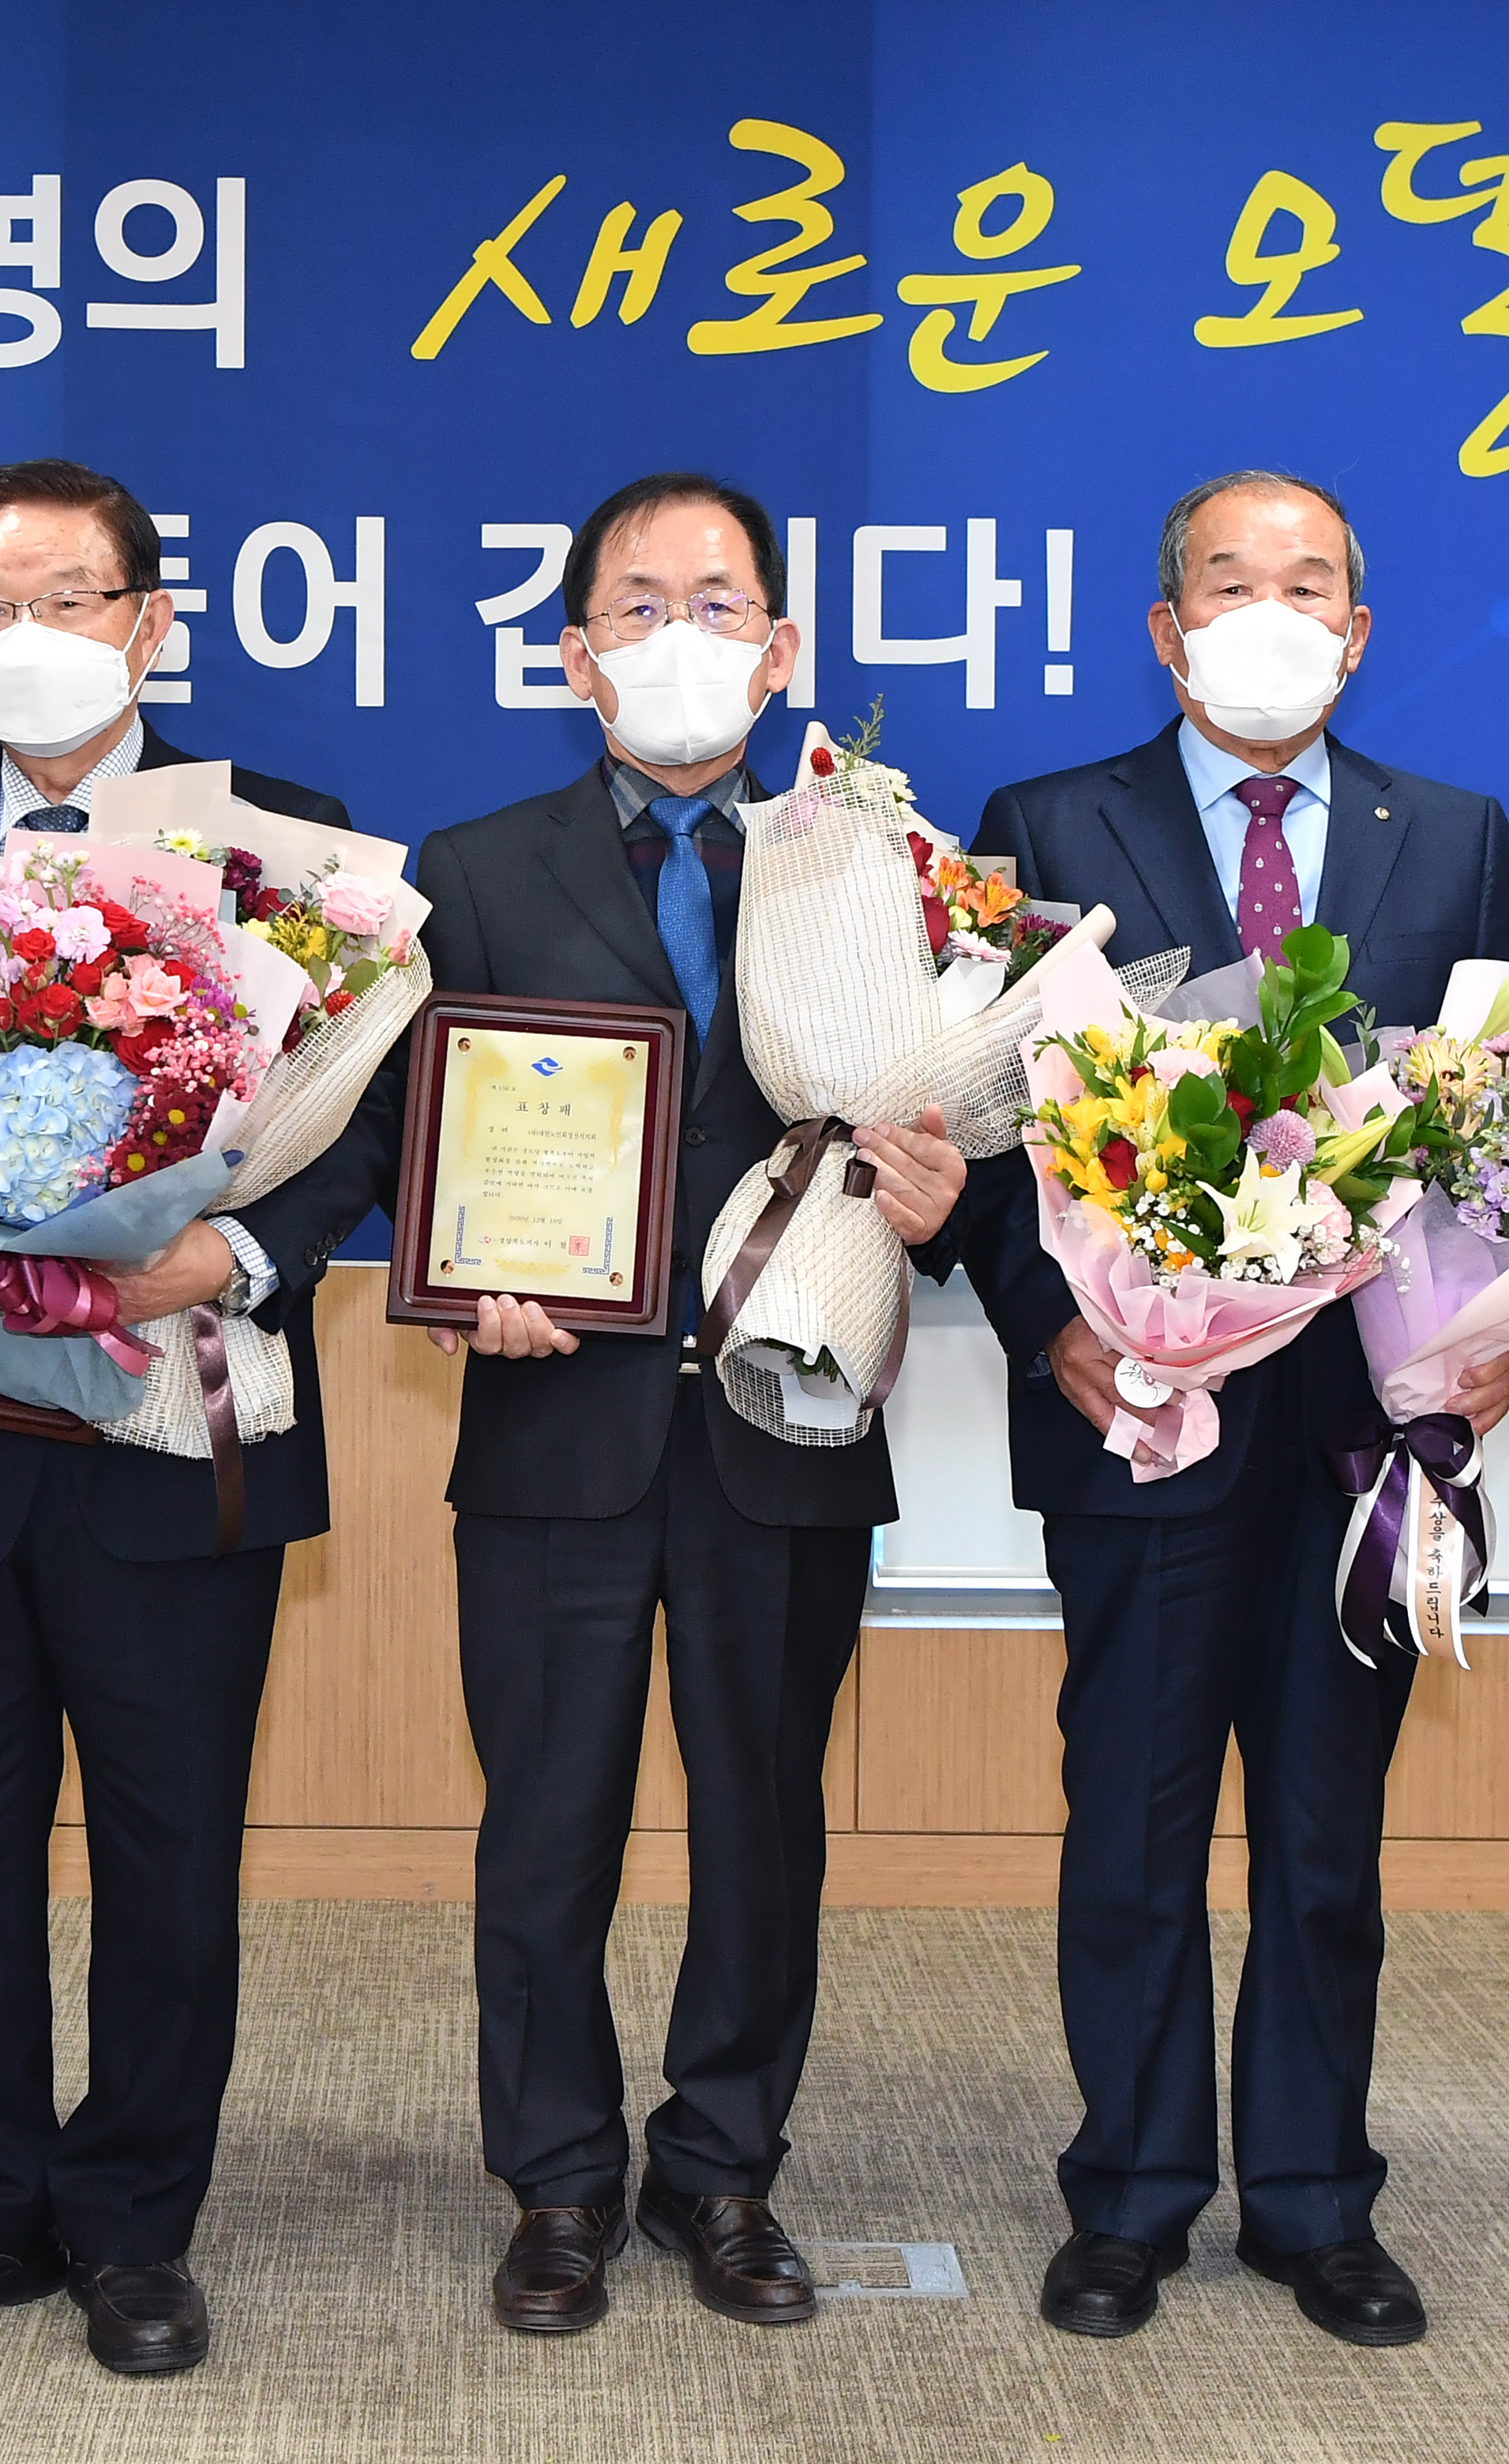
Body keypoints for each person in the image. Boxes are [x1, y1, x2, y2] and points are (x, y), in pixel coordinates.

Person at [0, 458, 383, 2380]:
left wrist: (235, 1252)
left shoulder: (283, 846)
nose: (24, 634)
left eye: (66, 598)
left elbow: (361, 1117)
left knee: (169, 1849)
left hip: (170, 1411)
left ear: (150, 622)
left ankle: (135, 2224)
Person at [959, 471, 1509, 2351]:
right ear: (1167, 626)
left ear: (1357, 634)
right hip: (1139, 1405)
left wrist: (1505, 1333)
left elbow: (1508, 1122)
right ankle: (1129, 2193)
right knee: (1130, 1820)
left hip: (1368, 1422)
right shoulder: (1048, 825)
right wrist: (1048, 1323)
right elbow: (986, 1129)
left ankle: (1312, 2198)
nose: (1267, 615)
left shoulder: (1456, 833)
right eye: (1229, 583)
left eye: (1308, 587)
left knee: (1323, 1828)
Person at [389, 473, 967, 2339]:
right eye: (637, 606)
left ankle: (723, 2167)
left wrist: (945, 1197)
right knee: (544, 1823)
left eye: (717, 604)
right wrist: (463, 1271)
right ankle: (557, 2178)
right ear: (579, 656)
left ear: (780, 649)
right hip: (556, 1423)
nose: (679, 638)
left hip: (785, 1424)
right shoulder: (474, 865)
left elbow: (946, 1130)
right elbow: (412, 1136)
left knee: (764, 1825)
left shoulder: (877, 863)